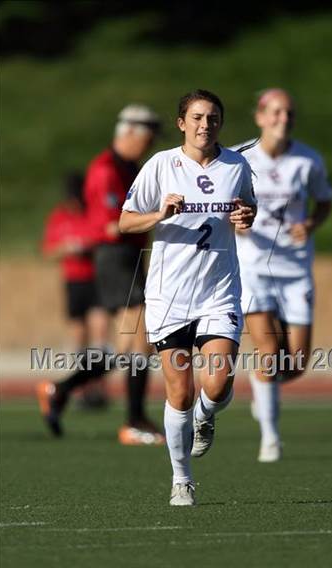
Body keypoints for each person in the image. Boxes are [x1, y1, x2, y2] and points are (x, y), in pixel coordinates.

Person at [119, 89, 256, 506]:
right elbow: (125, 222)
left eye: (212, 118)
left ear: (220, 123)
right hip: (169, 296)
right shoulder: (161, 165)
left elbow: (248, 210)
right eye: (196, 117)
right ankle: (182, 479)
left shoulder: (236, 164)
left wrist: (245, 216)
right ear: (181, 123)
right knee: (178, 392)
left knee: (215, 385)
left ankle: (205, 415)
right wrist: (159, 214)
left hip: (218, 292)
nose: (204, 125)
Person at [37, 105, 164, 445]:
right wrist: (162, 216)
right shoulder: (106, 169)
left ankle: (60, 390)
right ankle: (134, 421)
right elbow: (114, 224)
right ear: (129, 132)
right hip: (115, 256)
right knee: (141, 337)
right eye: (147, 137)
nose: (149, 144)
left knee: (129, 347)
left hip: (129, 255)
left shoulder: (129, 167)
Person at [234, 88, 332, 462]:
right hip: (255, 268)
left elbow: (324, 201)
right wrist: (236, 222)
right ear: (260, 116)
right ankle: (270, 437)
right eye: (275, 112)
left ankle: (264, 391)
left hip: (295, 271)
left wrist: (310, 223)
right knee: (268, 351)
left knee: (295, 363)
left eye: (288, 113)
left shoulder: (308, 160)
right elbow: (221, 204)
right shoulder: (240, 159)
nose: (282, 119)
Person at [41, 172, 110, 410]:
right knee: (79, 337)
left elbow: (105, 237)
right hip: (74, 282)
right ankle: (80, 389)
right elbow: (48, 251)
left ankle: (98, 386)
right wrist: (67, 248)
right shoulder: (59, 217)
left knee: (100, 334)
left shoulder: (93, 212)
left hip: (96, 279)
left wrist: (89, 247)